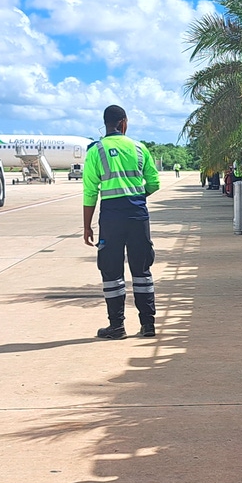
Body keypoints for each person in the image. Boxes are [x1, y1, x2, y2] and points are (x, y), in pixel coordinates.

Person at [82, 105, 161, 339]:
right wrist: (135, 196)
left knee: (112, 271)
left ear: (105, 123)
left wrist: (87, 226)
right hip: (137, 215)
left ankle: (116, 326)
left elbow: (90, 192)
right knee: (142, 270)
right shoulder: (139, 148)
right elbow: (154, 183)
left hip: (111, 218)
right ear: (124, 123)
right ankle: (148, 325)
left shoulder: (96, 151)